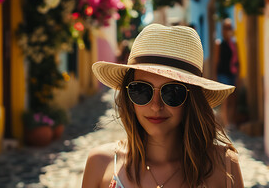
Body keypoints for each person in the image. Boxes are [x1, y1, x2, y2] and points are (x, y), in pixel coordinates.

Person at [82, 24, 244, 188]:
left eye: (172, 92)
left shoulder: (225, 166)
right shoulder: (100, 164)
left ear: (191, 99)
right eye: (141, 90)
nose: (155, 106)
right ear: (127, 95)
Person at [213, 19, 239, 127]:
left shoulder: (234, 44)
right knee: (226, 99)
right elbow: (216, 61)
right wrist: (214, 77)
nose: (228, 30)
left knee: (233, 99)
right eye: (226, 28)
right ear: (223, 30)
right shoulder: (219, 44)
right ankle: (226, 122)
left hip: (232, 73)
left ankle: (231, 120)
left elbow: (238, 59)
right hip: (222, 74)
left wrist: (238, 75)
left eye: (230, 28)